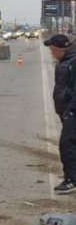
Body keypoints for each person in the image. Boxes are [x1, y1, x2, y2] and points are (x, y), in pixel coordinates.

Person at [45, 34, 76, 193]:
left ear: (60, 49)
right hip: (66, 111)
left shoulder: (73, 62)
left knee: (67, 144)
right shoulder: (64, 62)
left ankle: (71, 180)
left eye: (52, 49)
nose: (51, 52)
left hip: (72, 111)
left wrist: (70, 111)